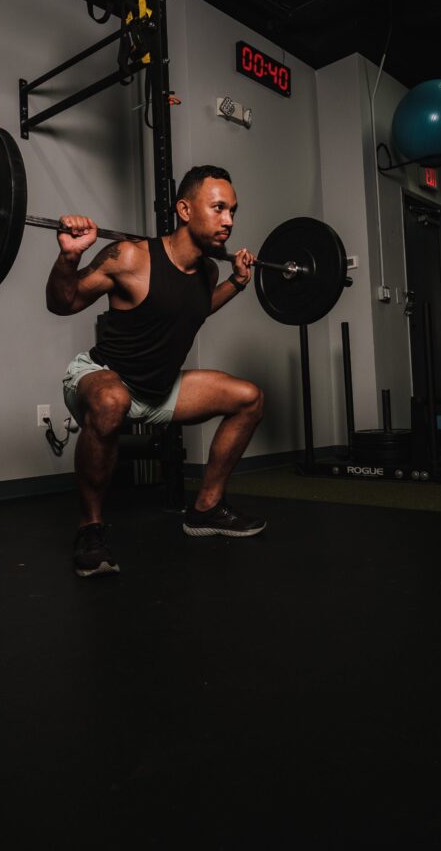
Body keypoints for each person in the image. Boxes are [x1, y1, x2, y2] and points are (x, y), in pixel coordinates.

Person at [46, 166, 266, 577]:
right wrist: (69, 256)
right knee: (114, 400)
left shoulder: (209, 271)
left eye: (233, 210)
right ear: (185, 209)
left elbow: (193, 311)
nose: (229, 220)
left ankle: (206, 508)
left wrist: (236, 283)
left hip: (158, 391)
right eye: (218, 208)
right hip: (102, 376)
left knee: (249, 398)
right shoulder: (130, 257)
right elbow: (64, 302)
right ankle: (90, 527)